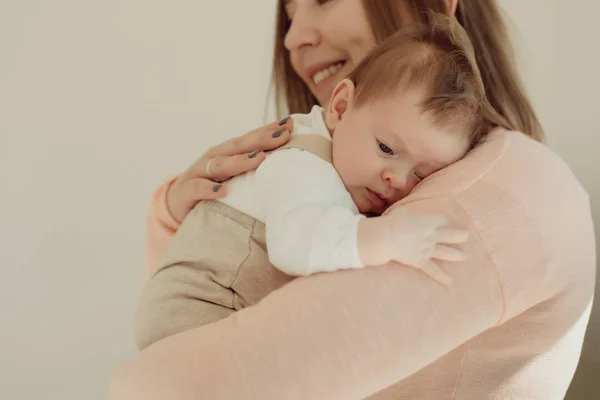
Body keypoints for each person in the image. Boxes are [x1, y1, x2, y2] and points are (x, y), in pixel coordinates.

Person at [110, 1, 596, 399]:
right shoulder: (324, 166)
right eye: (289, 14)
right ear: (341, 107)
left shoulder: (502, 184)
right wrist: (176, 209)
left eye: (321, 0)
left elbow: (164, 386)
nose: (292, 37)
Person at [133, 15, 491, 350]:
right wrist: (389, 238)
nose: (396, 179)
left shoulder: (345, 162)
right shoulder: (303, 160)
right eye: (386, 148)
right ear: (339, 108)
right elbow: (296, 244)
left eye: (422, 175)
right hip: (198, 309)